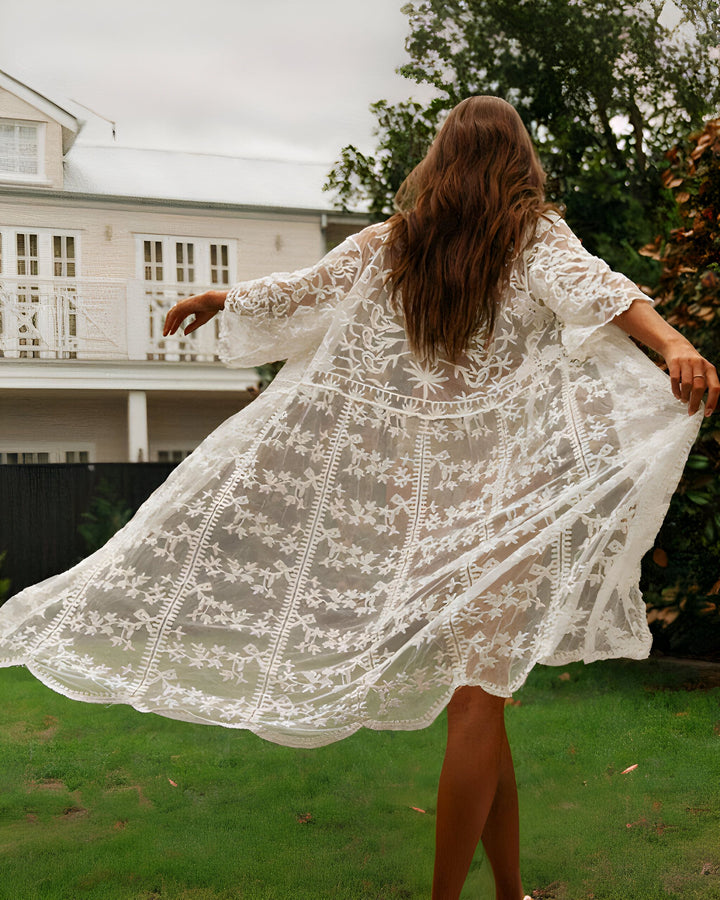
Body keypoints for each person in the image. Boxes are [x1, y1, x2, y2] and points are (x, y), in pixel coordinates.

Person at [0, 96, 717, 900]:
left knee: (482, 704)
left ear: (441, 158)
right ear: (519, 160)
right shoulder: (526, 239)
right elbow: (604, 294)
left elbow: (301, 291)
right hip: (500, 512)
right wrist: (675, 342)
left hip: (429, 520)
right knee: (479, 705)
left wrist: (220, 301)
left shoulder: (396, 244)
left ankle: (510, 890)